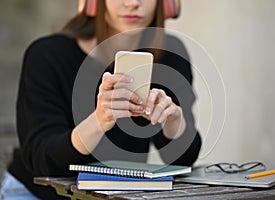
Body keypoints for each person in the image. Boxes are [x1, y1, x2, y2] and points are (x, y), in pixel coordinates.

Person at [0, 0, 201, 199]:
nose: (132, 3)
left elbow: (182, 160)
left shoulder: (170, 54)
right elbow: (42, 161)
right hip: (38, 193)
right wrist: (98, 122)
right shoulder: (47, 55)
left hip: (116, 195)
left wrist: (174, 121)